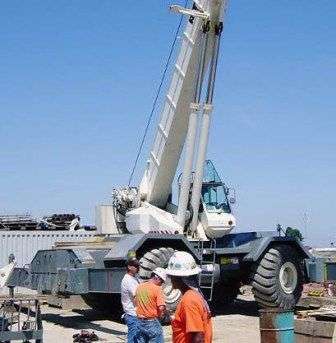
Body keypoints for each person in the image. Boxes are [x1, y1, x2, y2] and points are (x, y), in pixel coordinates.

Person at [166, 251, 213, 343]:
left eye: (171, 276)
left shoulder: (189, 300)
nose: (170, 279)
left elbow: (198, 337)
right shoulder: (194, 295)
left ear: (178, 277)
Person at [135, 267, 167, 343]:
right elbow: (161, 307)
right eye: (161, 281)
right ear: (156, 277)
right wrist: (164, 313)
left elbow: (135, 301)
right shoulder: (157, 288)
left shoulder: (140, 287)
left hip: (140, 322)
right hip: (152, 322)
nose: (161, 283)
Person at [121, 257, 141, 343]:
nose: (138, 268)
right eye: (136, 266)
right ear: (129, 267)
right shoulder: (129, 280)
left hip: (133, 314)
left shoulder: (133, 278)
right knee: (133, 339)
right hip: (133, 314)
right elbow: (136, 297)